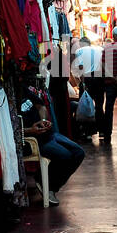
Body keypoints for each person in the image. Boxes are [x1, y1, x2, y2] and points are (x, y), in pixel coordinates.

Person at [19, 76, 84, 205]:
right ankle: (48, 185)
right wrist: (29, 130)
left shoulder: (23, 90)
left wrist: (43, 120)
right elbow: (11, 130)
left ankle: (47, 183)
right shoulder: (7, 99)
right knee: (65, 156)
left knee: (79, 152)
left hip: (48, 134)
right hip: (34, 140)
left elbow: (41, 106)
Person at [70, 35, 105, 140]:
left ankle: (88, 133)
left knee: (86, 105)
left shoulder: (80, 51)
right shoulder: (100, 49)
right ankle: (102, 131)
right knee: (99, 105)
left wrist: (83, 83)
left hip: (88, 79)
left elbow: (81, 68)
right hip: (99, 79)